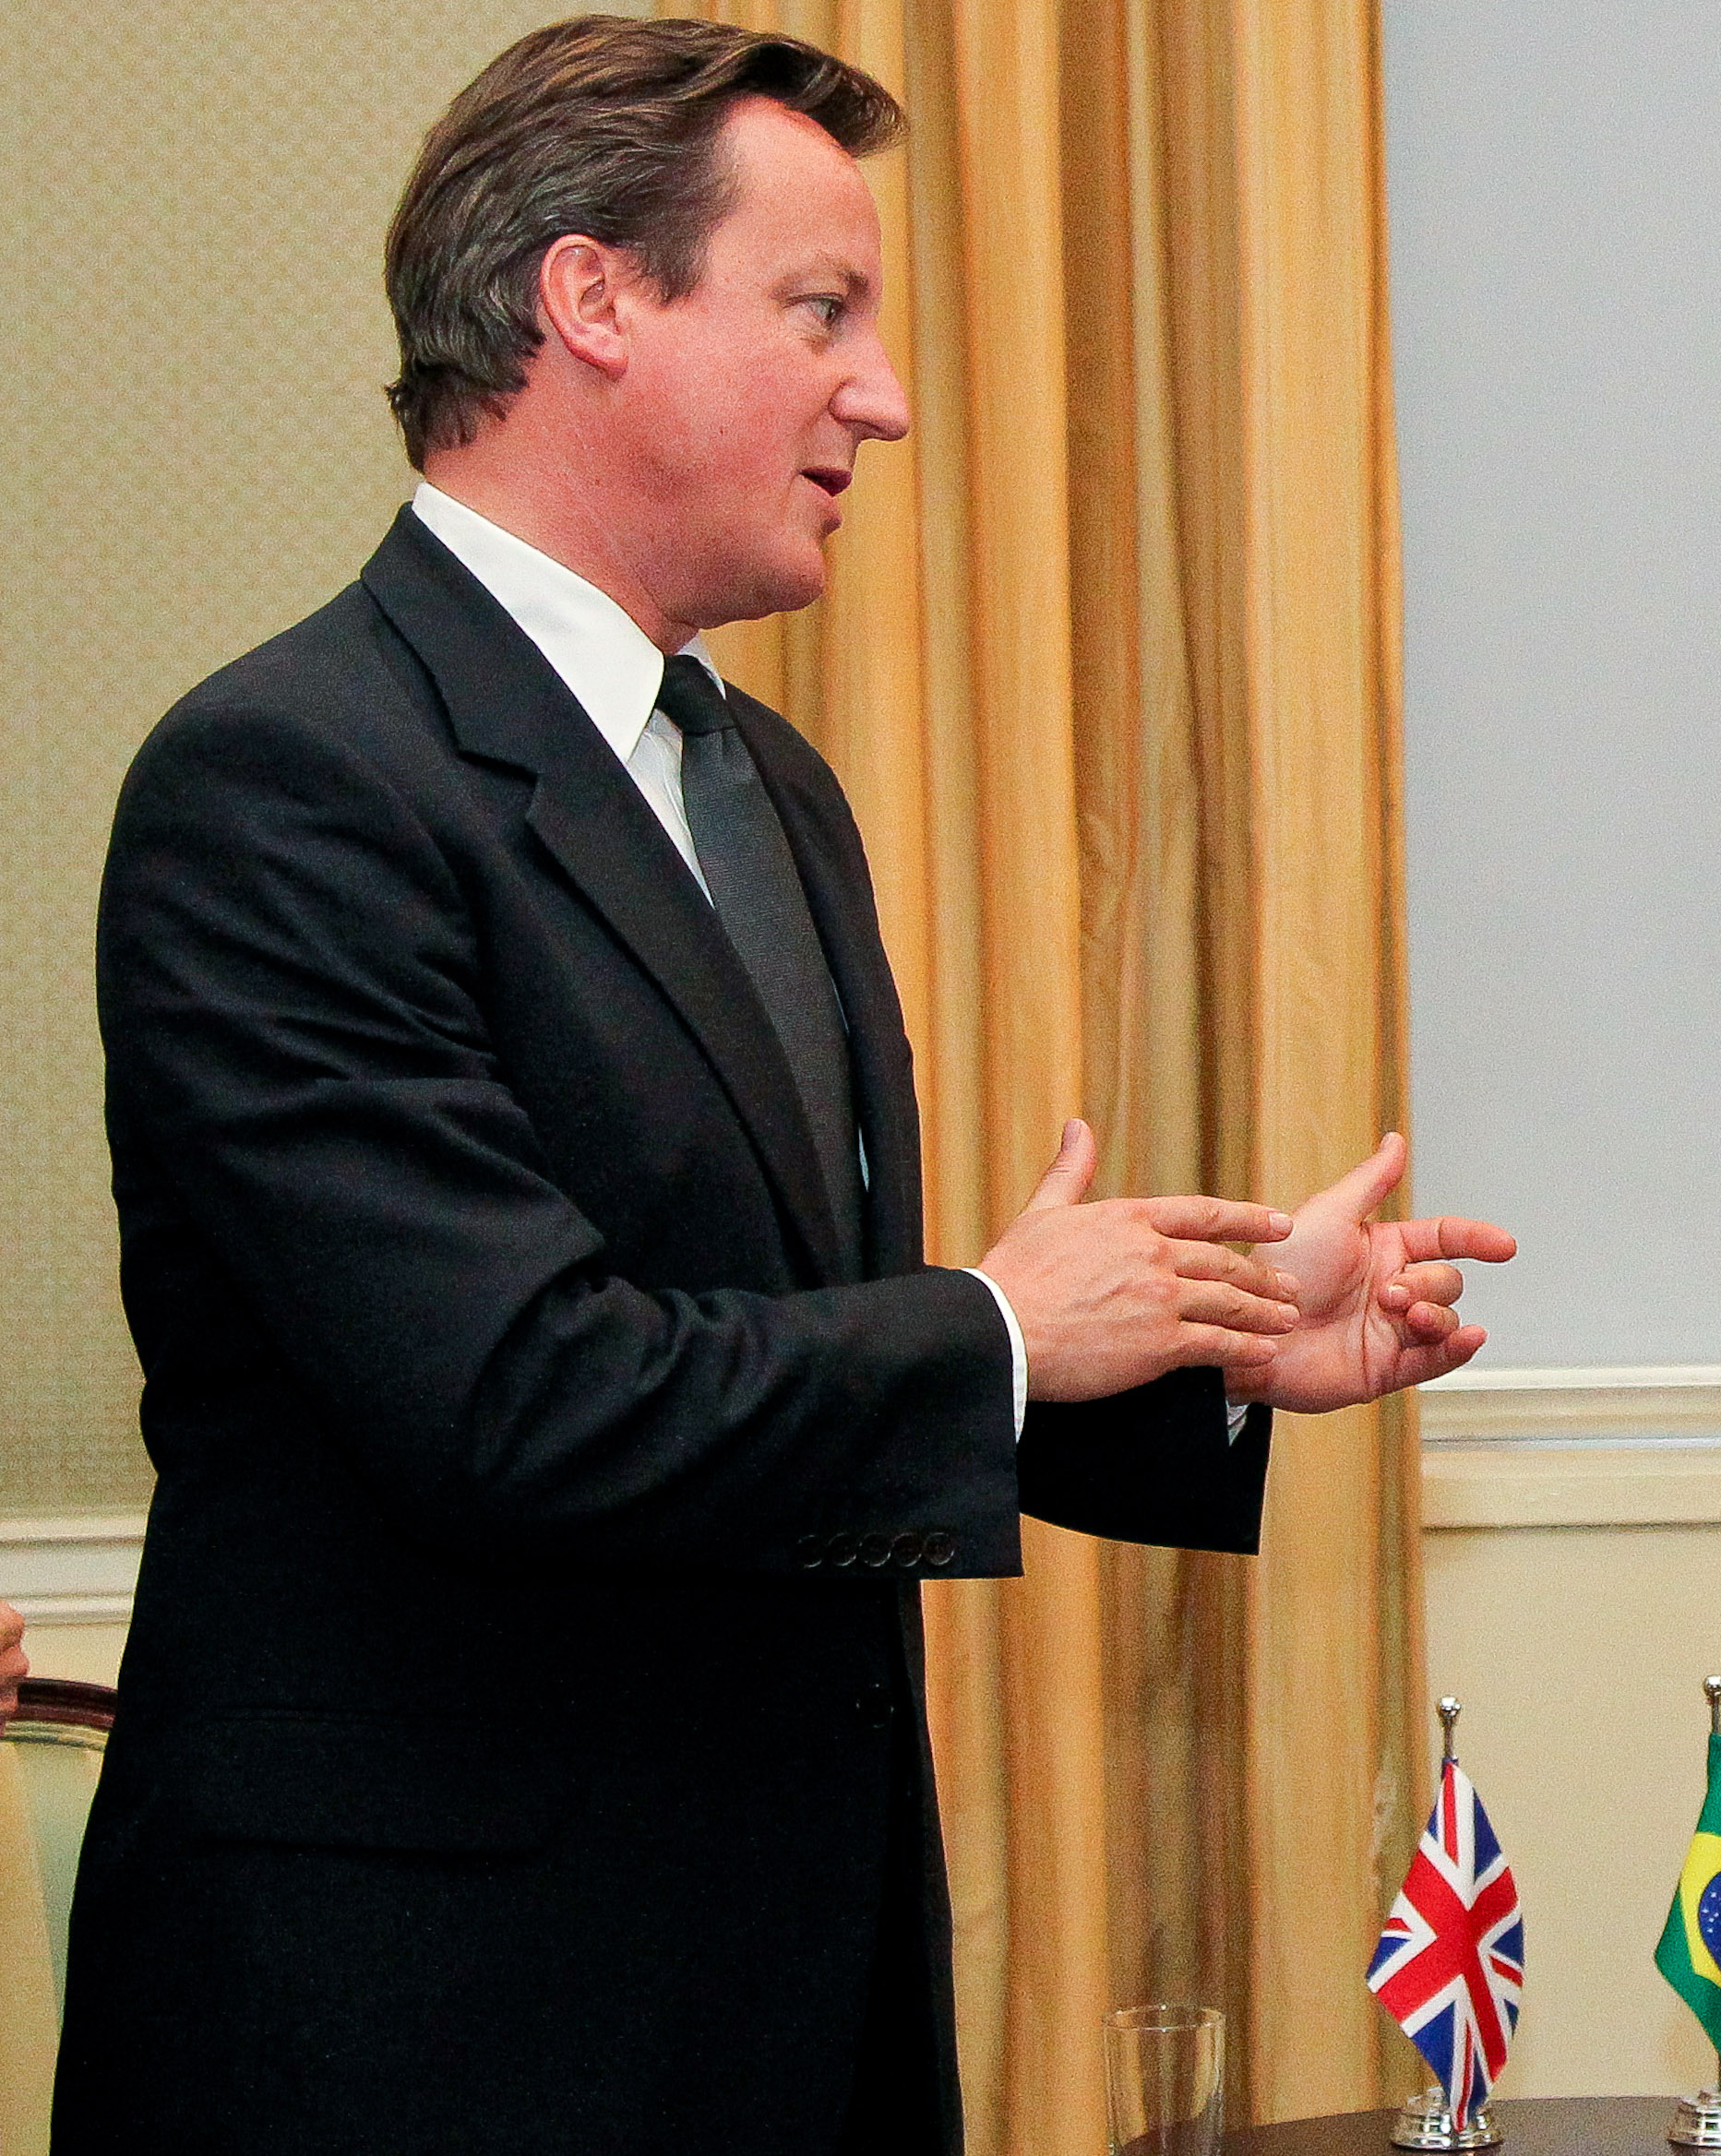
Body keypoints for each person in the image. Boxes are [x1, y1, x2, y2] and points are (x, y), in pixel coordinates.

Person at [56, 19, 1510, 2153]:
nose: (886, 394)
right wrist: (1010, 1326)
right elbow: (520, 1397)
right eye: (821, 308)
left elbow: (755, 1346)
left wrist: (1185, 1347)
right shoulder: (287, 779)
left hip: (783, 1983)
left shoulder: (763, 782)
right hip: (428, 2023)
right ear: (593, 300)